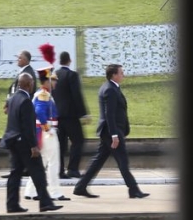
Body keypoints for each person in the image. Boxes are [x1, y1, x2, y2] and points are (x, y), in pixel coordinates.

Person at [73, 64, 150, 199]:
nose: (123, 75)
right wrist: (114, 134)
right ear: (114, 75)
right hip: (111, 131)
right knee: (123, 161)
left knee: (98, 160)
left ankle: (80, 187)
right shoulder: (110, 90)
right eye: (121, 72)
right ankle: (133, 189)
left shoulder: (110, 87)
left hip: (109, 131)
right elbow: (110, 114)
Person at [0, 72, 63, 213]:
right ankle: (45, 203)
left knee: (15, 174)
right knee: (38, 172)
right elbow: (28, 127)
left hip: (13, 140)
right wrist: (34, 146)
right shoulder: (26, 101)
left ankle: (12, 204)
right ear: (29, 84)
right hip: (24, 143)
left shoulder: (13, 98)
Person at [23, 69, 70, 201]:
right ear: (48, 81)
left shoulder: (42, 93)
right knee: (53, 162)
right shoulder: (44, 95)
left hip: (43, 132)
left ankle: (31, 190)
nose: (55, 83)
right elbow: (39, 112)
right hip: (47, 132)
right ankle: (55, 192)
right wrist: (48, 128)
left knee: (42, 162)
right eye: (53, 80)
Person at [53, 51, 90, 179]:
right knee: (78, 141)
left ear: (60, 61)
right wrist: (84, 114)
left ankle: (59, 170)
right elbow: (76, 95)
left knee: (60, 144)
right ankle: (73, 169)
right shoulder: (72, 75)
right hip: (70, 116)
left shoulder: (54, 75)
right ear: (69, 61)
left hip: (56, 116)